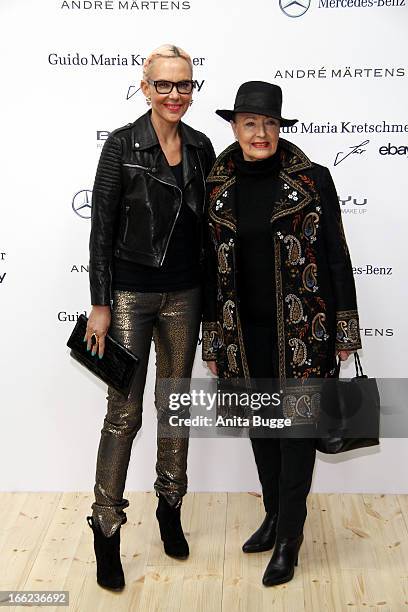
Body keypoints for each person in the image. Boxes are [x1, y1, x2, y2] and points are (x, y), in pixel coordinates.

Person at [202, 81, 361, 587]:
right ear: (234, 127)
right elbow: (208, 266)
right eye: (250, 123)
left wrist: (344, 329)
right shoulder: (216, 184)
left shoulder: (313, 180)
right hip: (242, 335)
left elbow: (336, 255)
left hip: (304, 332)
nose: (260, 133)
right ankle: (273, 514)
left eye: (269, 123)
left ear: (280, 127)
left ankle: (290, 536)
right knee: (262, 431)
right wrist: (212, 337)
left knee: (297, 436)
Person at [84, 44, 215, 591]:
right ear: (145, 88)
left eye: (184, 85)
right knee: (124, 414)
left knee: (175, 407)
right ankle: (107, 529)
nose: (175, 95)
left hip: (185, 295)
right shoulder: (121, 145)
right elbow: (100, 227)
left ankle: (169, 508)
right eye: (164, 85)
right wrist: (100, 303)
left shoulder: (204, 145)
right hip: (133, 296)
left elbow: (210, 229)